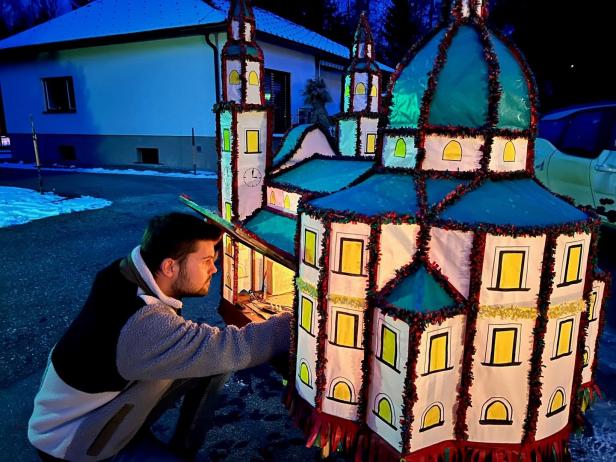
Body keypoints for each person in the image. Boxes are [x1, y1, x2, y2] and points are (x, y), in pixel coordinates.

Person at [28, 212, 292, 461]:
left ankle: (178, 446)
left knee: (211, 367)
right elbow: (231, 347)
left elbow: (176, 261)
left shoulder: (123, 273)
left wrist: (200, 242)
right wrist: (295, 322)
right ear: (169, 267)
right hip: (77, 444)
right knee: (215, 355)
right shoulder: (143, 326)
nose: (214, 269)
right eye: (207, 261)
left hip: (81, 413)